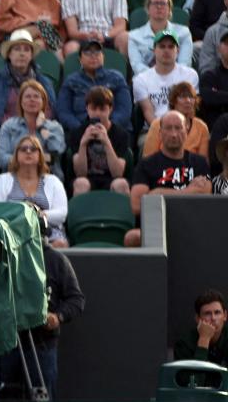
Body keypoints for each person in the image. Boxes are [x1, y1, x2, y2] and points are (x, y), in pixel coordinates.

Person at [0, 228, 84, 402]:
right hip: (6, 342)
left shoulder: (56, 260)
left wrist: (57, 316)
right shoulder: (2, 257)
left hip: (41, 342)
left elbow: (76, 299)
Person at [126, 110, 214, 244]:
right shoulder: (146, 164)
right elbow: (136, 205)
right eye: (168, 128)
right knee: (132, 237)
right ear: (160, 134)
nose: (173, 134)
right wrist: (188, 191)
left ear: (186, 131)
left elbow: (206, 195)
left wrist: (158, 193)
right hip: (155, 227)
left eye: (178, 128)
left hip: (190, 224)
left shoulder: (199, 162)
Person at [0, 29, 58, 155]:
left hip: (36, 137)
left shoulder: (44, 82)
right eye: (17, 49)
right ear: (9, 54)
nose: (22, 54)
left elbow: (51, 113)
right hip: (1, 138)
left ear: (31, 55)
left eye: (26, 50)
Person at [0, 135, 71, 246]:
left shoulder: (53, 181)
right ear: (16, 155)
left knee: (60, 244)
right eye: (23, 149)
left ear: (40, 155)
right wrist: (21, 216)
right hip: (12, 230)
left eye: (33, 149)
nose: (28, 151)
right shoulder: (3, 180)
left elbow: (62, 213)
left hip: (48, 232)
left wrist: (38, 215)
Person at [55, 38, 134, 136]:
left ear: (103, 57)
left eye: (97, 52)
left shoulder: (116, 78)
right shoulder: (71, 81)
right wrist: (81, 129)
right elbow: (63, 111)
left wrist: (109, 126)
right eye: (87, 53)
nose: (93, 56)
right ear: (80, 59)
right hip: (80, 131)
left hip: (113, 131)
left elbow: (124, 109)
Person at [0, 80, 67, 178]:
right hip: (15, 176)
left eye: (36, 96)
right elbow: (1, 159)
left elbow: (56, 153)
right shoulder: (9, 126)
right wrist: (35, 159)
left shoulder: (54, 127)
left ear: (43, 102)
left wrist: (41, 128)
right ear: (21, 102)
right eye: (28, 96)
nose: (32, 100)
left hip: (47, 177)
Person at [71, 86, 132, 196]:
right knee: (81, 183)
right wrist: (83, 143)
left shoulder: (121, 134)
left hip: (111, 178)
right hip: (88, 179)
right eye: (93, 109)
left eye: (102, 109)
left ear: (110, 109)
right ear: (87, 109)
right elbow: (80, 173)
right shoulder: (77, 133)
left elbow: (118, 173)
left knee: (121, 184)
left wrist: (106, 142)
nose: (98, 113)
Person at [133, 29, 200, 128]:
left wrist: (180, 132)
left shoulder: (190, 75)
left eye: (171, 46)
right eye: (162, 46)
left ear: (178, 50)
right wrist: (163, 132)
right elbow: (148, 112)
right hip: (154, 129)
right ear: (154, 50)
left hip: (184, 128)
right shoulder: (141, 79)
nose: (166, 50)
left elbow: (190, 109)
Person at [128, 0, 194, 71]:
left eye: (163, 3)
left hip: (177, 80)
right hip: (146, 81)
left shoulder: (183, 33)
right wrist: (157, 78)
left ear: (170, 9)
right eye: (155, 3)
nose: (159, 7)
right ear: (147, 9)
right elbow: (137, 66)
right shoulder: (134, 36)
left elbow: (184, 64)